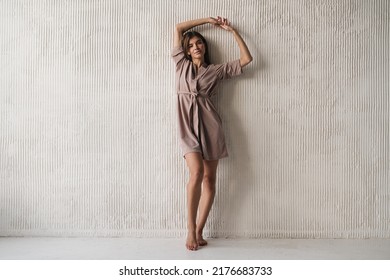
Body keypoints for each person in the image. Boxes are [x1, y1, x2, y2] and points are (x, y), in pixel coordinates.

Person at [172, 17, 252, 251]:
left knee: (209, 179)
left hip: (211, 126)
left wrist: (233, 30)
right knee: (196, 173)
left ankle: (199, 230)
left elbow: (247, 59)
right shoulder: (180, 65)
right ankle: (189, 229)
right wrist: (208, 20)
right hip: (186, 126)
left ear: (205, 47)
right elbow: (178, 27)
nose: (195, 47)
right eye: (190, 45)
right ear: (186, 50)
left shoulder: (216, 70)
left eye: (199, 43)